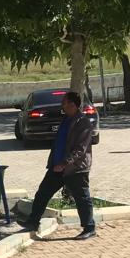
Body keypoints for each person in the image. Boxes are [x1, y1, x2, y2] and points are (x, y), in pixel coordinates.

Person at [17, 91, 96, 240]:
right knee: (42, 193)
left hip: (75, 168)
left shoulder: (83, 122)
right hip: (57, 167)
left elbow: (81, 148)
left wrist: (65, 162)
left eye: (64, 102)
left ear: (72, 104)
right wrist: (55, 162)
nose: (62, 105)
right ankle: (33, 222)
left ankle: (89, 228)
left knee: (82, 198)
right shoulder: (66, 119)